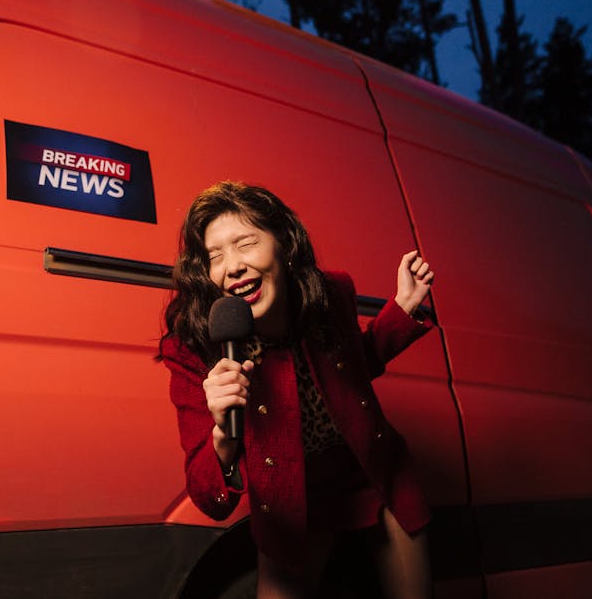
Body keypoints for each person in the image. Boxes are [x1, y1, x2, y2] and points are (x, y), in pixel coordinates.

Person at [159, 182, 436, 598]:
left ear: (285, 244)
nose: (232, 266)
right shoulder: (194, 348)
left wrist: (402, 311)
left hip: (372, 473)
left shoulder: (330, 295)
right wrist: (223, 434)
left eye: (246, 243)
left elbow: (348, 374)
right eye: (215, 256)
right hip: (291, 500)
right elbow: (209, 499)